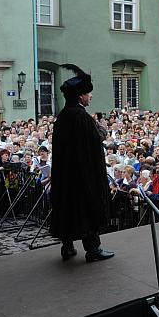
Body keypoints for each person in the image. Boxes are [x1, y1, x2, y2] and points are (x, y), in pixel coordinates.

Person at [49, 67, 114, 263]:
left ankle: (67, 246)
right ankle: (93, 249)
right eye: (88, 93)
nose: (90, 96)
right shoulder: (81, 117)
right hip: (83, 175)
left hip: (66, 175)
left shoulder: (63, 116)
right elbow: (94, 141)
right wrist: (101, 131)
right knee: (87, 207)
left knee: (67, 206)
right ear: (79, 96)